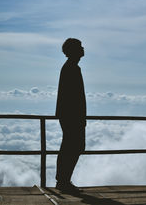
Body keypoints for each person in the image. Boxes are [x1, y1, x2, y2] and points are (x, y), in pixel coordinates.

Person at [55, 38, 86, 193]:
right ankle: (63, 181)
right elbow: (73, 97)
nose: (83, 48)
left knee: (71, 147)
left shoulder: (71, 67)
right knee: (71, 147)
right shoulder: (71, 68)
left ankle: (63, 180)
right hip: (72, 116)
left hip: (70, 116)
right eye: (80, 46)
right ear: (73, 50)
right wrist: (79, 117)